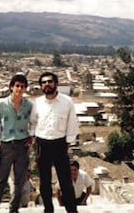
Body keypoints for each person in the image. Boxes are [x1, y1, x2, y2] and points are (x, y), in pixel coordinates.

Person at [30, 71, 79, 213]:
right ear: (41, 86)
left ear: (56, 84)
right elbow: (33, 122)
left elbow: (72, 122)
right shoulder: (37, 103)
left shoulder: (67, 102)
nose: (47, 84)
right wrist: (33, 137)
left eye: (50, 81)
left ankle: (71, 210)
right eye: (44, 82)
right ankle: (48, 209)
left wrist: (69, 141)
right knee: (45, 182)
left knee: (65, 182)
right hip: (42, 144)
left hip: (60, 144)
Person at [0, 74, 34, 213]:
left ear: (25, 89)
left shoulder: (29, 106)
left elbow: (36, 123)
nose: (19, 88)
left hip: (22, 146)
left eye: (22, 86)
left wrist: (33, 137)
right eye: (17, 85)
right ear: (11, 87)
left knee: (19, 182)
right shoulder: (1, 105)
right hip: (5, 146)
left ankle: (14, 210)